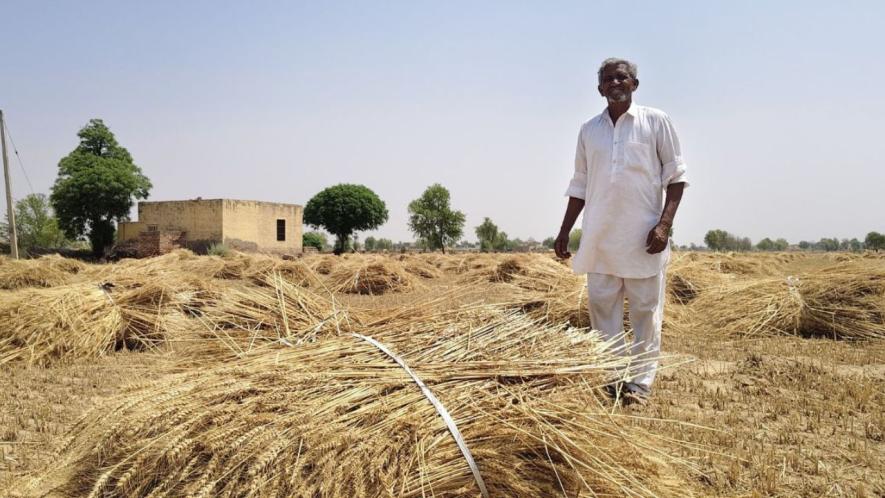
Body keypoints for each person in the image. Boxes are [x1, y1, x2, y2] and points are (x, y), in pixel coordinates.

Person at [554, 57, 689, 405]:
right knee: (603, 311)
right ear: (600, 89)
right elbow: (580, 183)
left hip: (644, 239)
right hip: (599, 239)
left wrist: (664, 226)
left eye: (622, 77)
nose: (615, 83)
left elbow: (676, 178)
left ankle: (640, 383)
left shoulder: (656, 122)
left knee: (645, 312)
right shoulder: (589, 130)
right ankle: (612, 378)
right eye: (608, 79)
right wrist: (565, 230)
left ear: (634, 85)